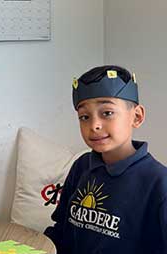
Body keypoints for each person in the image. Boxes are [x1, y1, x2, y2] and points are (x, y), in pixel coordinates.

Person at [44, 65, 167, 253]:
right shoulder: (82, 166)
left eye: (107, 113)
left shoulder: (159, 183)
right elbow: (61, 230)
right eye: (84, 117)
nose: (94, 125)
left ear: (137, 116)